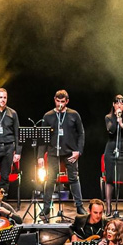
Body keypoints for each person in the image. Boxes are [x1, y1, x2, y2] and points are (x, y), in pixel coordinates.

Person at [39, 89, 86, 217]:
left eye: (62, 102)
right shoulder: (48, 116)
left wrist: (79, 151)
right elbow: (43, 138)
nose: (60, 104)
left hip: (70, 152)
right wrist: (40, 156)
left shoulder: (74, 114)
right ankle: (46, 207)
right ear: (55, 100)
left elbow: (81, 134)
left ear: (67, 101)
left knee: (73, 178)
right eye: (58, 101)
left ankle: (79, 206)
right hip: (53, 151)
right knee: (50, 179)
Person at [102, 95, 123, 215]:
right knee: (109, 178)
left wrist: (121, 123)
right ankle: (108, 207)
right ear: (113, 105)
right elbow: (111, 131)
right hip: (111, 147)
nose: (119, 105)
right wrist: (116, 119)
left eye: (121, 103)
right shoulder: (108, 117)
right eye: (117, 103)